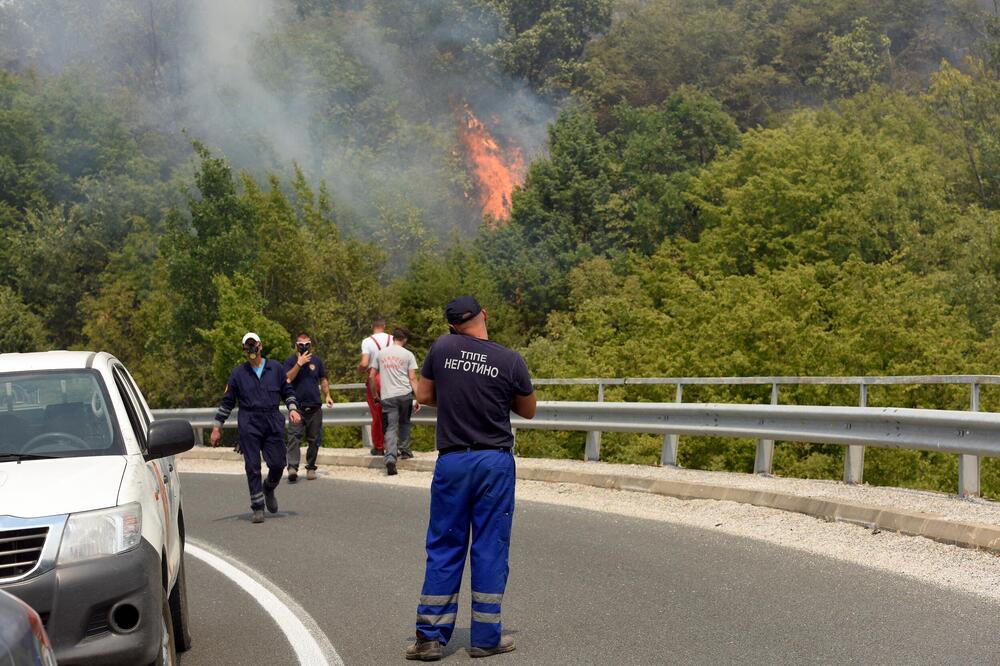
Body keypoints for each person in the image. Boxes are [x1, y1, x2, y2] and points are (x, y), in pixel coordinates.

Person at [406, 297, 536, 661]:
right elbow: (528, 409)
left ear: (451, 325)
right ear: (484, 316)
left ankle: (430, 638)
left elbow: (425, 395)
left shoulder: (443, 348)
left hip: (453, 461)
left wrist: (458, 393)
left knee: (445, 545)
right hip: (494, 462)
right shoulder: (509, 359)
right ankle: (485, 638)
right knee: (489, 547)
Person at [210, 332, 302, 524]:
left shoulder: (275, 368)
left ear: (260, 346)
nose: (251, 349)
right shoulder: (238, 373)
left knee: (278, 464)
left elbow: (288, 391)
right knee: (252, 467)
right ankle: (258, 507)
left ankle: (268, 488)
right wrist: (217, 427)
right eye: (247, 346)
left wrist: (292, 409)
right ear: (244, 349)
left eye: (254, 345)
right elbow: (227, 402)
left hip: (272, 420)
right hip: (249, 422)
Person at [367, 327, 420, 476]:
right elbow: (412, 378)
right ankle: (405, 451)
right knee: (404, 423)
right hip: (405, 395)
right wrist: (419, 397)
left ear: (393, 338)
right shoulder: (408, 355)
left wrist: (375, 395)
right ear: (405, 339)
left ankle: (390, 458)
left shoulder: (380, 354)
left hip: (387, 396)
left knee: (390, 427)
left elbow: (371, 377)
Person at [284, 332, 334, 482]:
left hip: (314, 407)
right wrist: (299, 363)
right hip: (297, 407)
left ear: (311, 345)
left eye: (307, 344)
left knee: (314, 439)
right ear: (296, 345)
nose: (304, 347)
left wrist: (328, 395)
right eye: (301, 344)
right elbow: (287, 379)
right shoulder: (290, 361)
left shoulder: (317, 361)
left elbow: (323, 379)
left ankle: (311, 467)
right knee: (294, 438)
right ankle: (292, 468)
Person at [359, 316, 393, 456]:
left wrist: (359, 370)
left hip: (376, 379)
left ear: (372, 326)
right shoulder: (392, 339)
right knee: (393, 413)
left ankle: (379, 447)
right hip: (392, 378)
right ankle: (393, 445)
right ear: (384, 326)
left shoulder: (367, 341)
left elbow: (364, 363)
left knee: (377, 414)